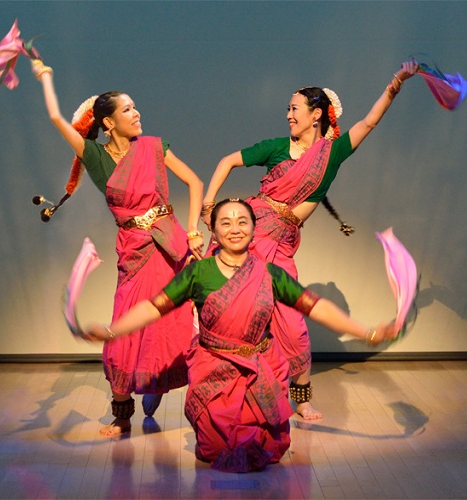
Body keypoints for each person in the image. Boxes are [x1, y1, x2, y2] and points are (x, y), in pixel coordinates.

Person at [79, 199, 399, 472]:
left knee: (270, 450)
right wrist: (111, 331)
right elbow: (154, 307)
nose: (235, 229)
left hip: (261, 372)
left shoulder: (269, 274)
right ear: (214, 230)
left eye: (243, 222)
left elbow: (316, 307)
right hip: (212, 373)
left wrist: (368, 333)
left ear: (254, 229)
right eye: (226, 222)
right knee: (213, 450)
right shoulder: (198, 273)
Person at [200, 61, 418, 420]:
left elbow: (368, 123)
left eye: (294, 109)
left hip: (282, 244)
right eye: (288, 109)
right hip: (252, 237)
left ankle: (301, 399)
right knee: (235, 315)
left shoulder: (332, 153)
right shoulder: (276, 148)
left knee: (293, 327)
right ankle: (228, 395)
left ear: (316, 115)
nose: (288, 115)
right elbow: (226, 162)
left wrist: (395, 84)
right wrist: (209, 207)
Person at [31, 58, 205, 437]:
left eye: (135, 106)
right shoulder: (95, 157)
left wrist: (193, 230)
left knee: (175, 324)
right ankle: (122, 415)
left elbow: (194, 182)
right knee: (122, 336)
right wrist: (46, 77)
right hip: (134, 251)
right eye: (127, 109)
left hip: (170, 245)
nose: (136, 113)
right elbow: (57, 118)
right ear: (108, 122)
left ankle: (162, 387)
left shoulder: (154, 147)